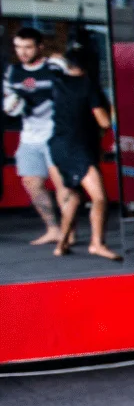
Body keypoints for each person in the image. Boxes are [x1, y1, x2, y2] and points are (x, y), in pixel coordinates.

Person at [45, 47, 120, 260]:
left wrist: (61, 57)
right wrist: (114, 109)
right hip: (77, 148)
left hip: (58, 146)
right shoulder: (88, 85)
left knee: (74, 195)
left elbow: (54, 59)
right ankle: (96, 243)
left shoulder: (58, 82)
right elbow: (104, 121)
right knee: (99, 197)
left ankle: (61, 244)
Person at [4, 27, 68, 248]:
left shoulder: (54, 67)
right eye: (18, 47)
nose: (22, 52)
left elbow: (75, 90)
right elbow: (8, 101)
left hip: (56, 134)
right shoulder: (13, 72)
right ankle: (53, 229)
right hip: (29, 136)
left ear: (40, 47)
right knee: (31, 182)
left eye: (28, 47)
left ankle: (69, 231)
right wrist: (11, 105)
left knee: (63, 184)